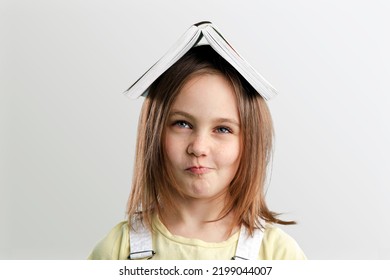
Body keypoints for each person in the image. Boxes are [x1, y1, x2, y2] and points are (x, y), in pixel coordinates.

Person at [88, 45, 306, 260]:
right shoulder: (116, 251)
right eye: (182, 124)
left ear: (250, 142)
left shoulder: (279, 256)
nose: (199, 148)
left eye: (222, 129)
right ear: (154, 134)